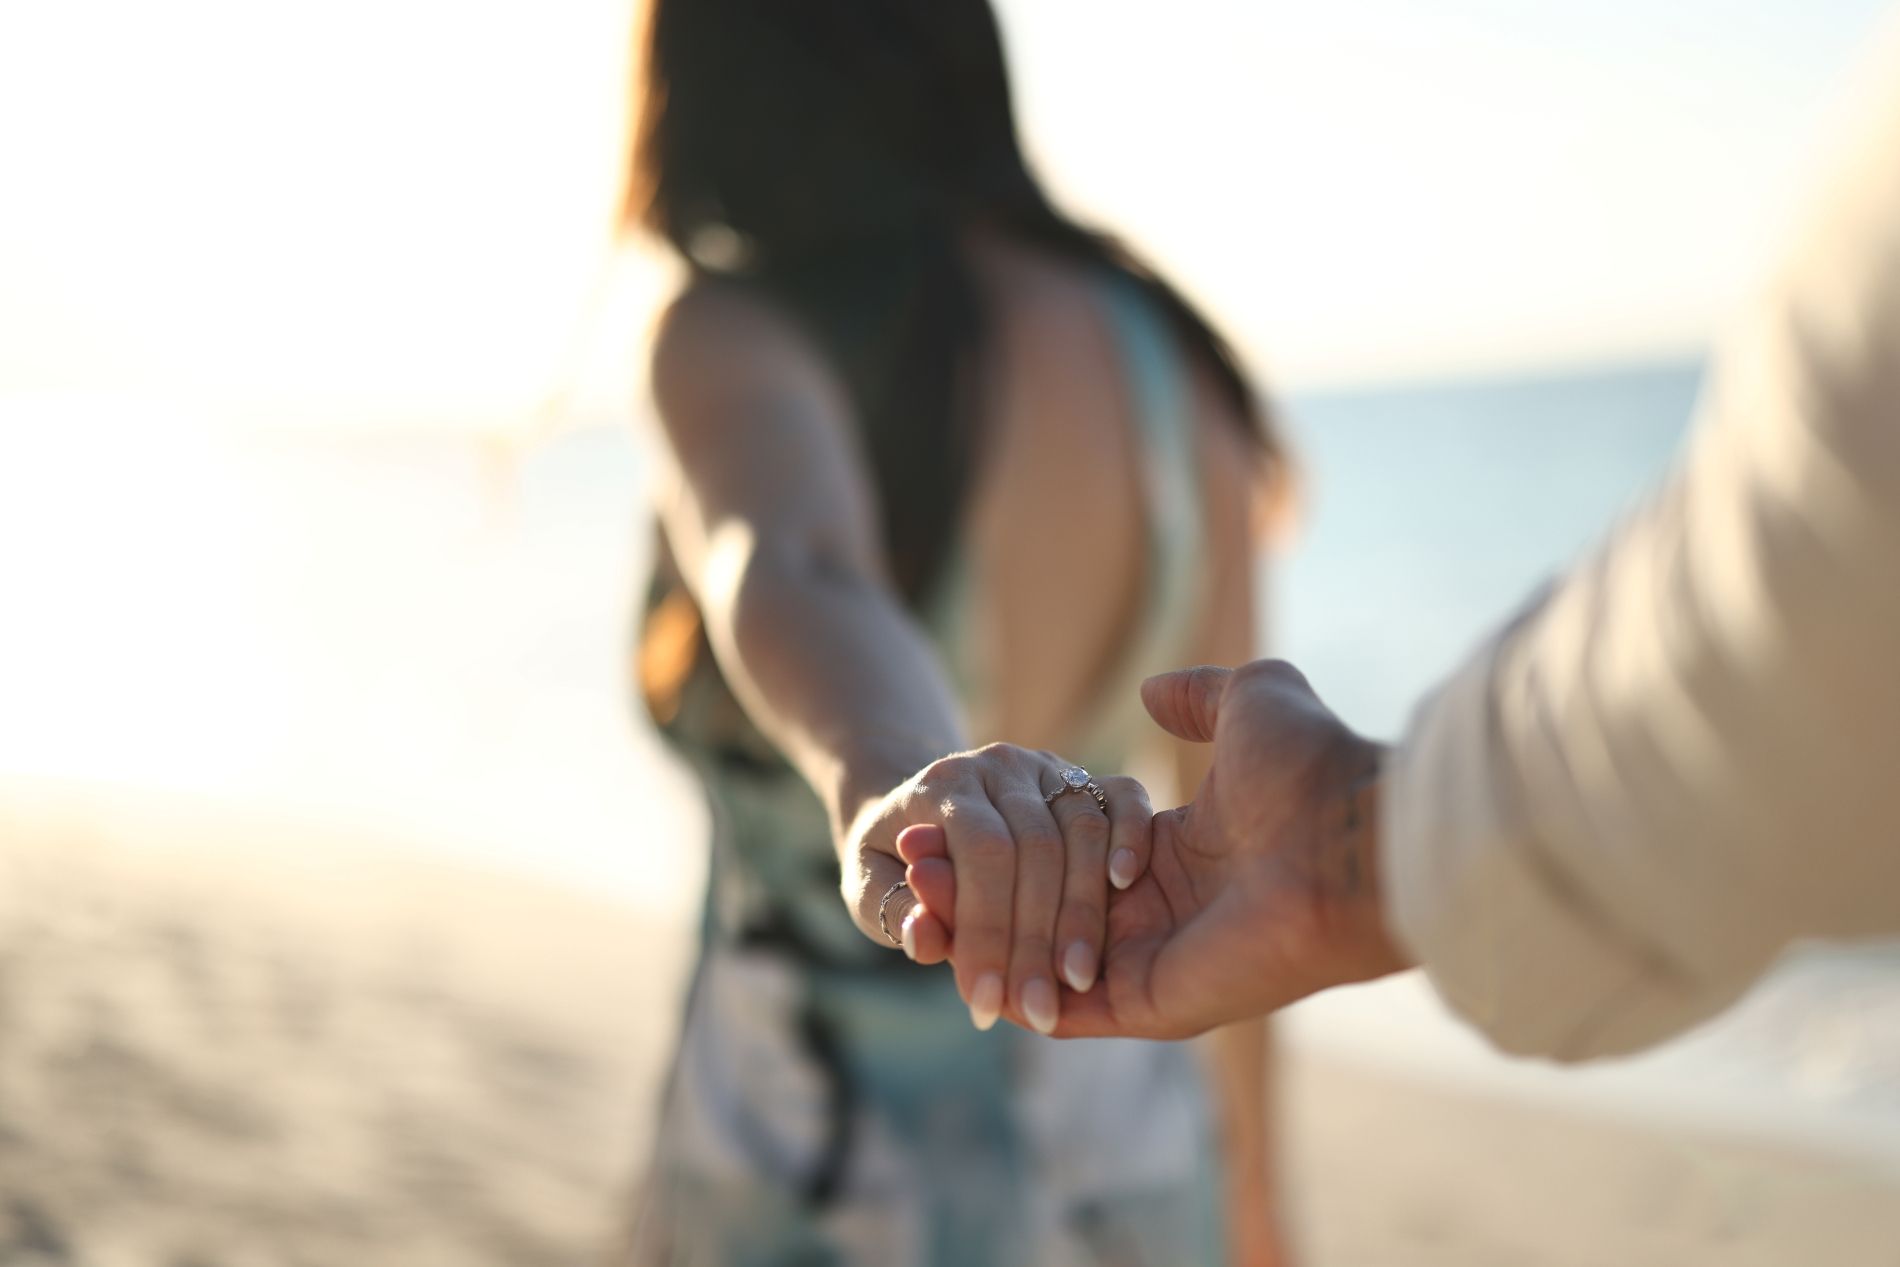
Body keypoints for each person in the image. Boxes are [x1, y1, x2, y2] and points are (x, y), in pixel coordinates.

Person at [905, 15, 1900, 1061]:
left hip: (875, 1097)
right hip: (1144, 1098)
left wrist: (1359, 857)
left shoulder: (751, 361)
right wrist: (1253, 1187)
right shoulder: (1169, 362)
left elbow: (1819, 577)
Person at [622, 1, 1292, 1262]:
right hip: (1130, 1167)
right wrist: (1257, 1193)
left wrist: (893, 781)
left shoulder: (730, 332)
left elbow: (797, 561)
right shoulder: (1173, 371)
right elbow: (1237, 846)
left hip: (808, 1167)